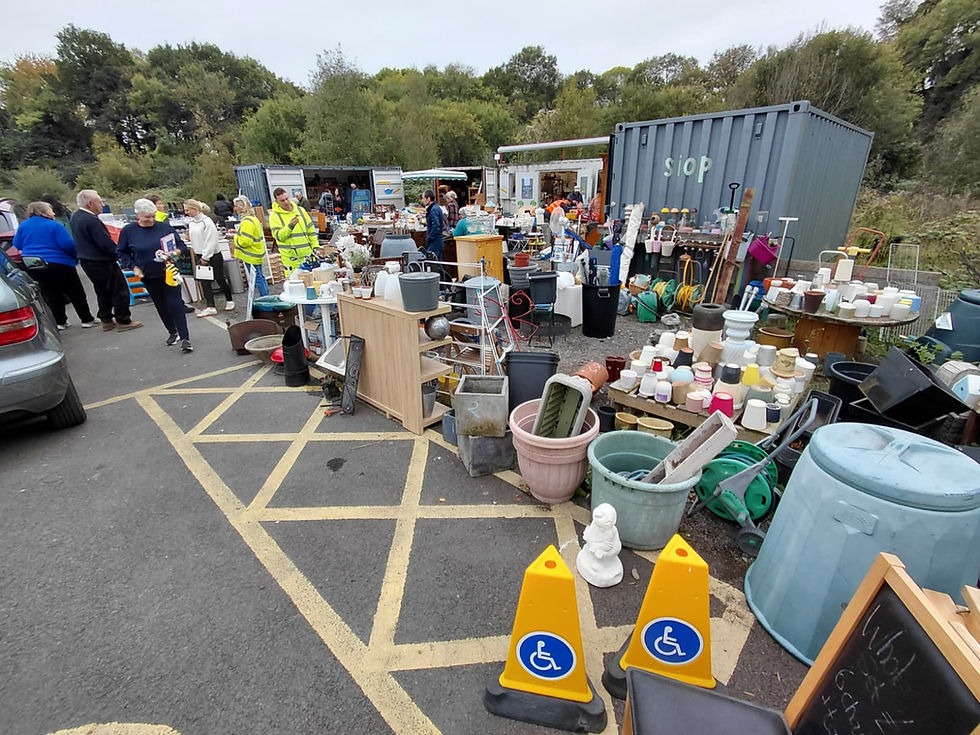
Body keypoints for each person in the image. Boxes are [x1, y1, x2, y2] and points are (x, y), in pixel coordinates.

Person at [116, 199, 192, 352]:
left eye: (153, 216)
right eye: (147, 217)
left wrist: (174, 253)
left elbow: (181, 246)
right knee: (161, 304)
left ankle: (185, 338)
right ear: (138, 216)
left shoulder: (164, 227)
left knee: (175, 303)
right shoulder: (129, 231)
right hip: (148, 274)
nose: (151, 220)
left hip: (169, 271)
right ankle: (172, 332)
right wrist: (133, 267)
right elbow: (121, 252)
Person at [13, 201, 98, 330]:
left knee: (51, 293)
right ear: (44, 211)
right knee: (75, 291)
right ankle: (86, 319)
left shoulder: (23, 226)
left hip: (35, 264)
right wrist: (75, 255)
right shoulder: (54, 225)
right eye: (49, 209)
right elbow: (67, 244)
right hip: (59, 262)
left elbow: (17, 244)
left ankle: (60, 322)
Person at [70, 189, 143, 332]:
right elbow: (104, 243)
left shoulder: (76, 216)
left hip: (87, 260)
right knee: (119, 289)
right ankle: (123, 319)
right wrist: (120, 254)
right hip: (100, 260)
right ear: (90, 204)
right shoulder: (91, 220)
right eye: (99, 201)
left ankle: (106, 318)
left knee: (102, 290)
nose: (102, 204)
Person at [184, 199, 234, 316]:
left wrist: (205, 257)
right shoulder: (192, 223)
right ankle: (210, 306)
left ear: (195, 209)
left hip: (213, 254)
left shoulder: (207, 222)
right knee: (204, 281)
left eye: (187, 210)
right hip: (199, 253)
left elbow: (210, 241)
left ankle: (229, 300)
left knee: (219, 277)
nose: (186, 212)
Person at [269, 186, 316, 274]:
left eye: (287, 199)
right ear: (276, 201)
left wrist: (316, 247)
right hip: (291, 260)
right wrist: (290, 227)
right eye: (282, 201)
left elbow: (311, 231)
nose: (286, 202)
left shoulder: (301, 211)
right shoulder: (275, 216)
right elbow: (278, 236)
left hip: (308, 257)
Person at [232, 195, 269, 298]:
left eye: (235, 206)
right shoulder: (253, 219)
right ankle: (265, 296)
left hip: (251, 255)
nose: (234, 209)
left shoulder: (246, 222)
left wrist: (236, 238)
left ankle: (265, 298)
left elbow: (245, 241)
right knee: (260, 277)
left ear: (241, 207)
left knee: (257, 278)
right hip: (256, 252)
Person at [422, 189, 444, 258]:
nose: (422, 200)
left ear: (428, 199)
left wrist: (429, 238)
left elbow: (436, 226)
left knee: (432, 264)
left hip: (435, 242)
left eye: (423, 198)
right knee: (438, 264)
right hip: (438, 241)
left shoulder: (433, 209)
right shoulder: (436, 207)